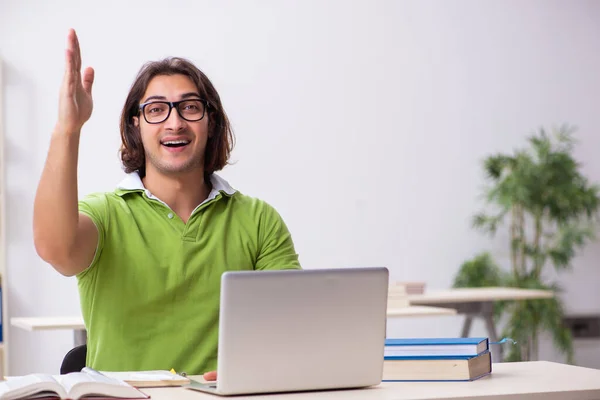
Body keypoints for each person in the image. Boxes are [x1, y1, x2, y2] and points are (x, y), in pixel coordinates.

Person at [32, 29, 301, 379]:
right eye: (157, 110)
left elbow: (292, 326)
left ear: (211, 121)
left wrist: (259, 369)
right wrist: (68, 128)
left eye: (190, 107)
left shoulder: (258, 219)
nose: (175, 123)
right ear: (136, 125)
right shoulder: (106, 213)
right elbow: (56, 249)